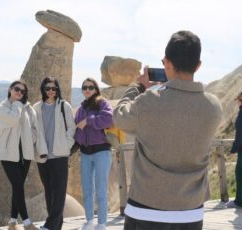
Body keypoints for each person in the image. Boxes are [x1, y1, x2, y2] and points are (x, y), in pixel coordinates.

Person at [113, 31, 223, 230]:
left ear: (167, 63)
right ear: (198, 65)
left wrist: (138, 86)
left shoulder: (149, 102)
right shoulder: (214, 107)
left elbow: (119, 116)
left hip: (146, 209)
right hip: (191, 211)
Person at [33, 76, 76, 230]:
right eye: (48, 88)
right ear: (43, 89)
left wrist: (66, 144)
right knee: (49, 192)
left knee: (59, 192)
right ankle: (55, 227)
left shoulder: (65, 106)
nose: (51, 91)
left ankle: (50, 225)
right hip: (43, 156)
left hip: (60, 155)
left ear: (57, 90)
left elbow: (72, 128)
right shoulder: (36, 108)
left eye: (54, 88)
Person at [0, 80, 40, 230]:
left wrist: (31, 139)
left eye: (22, 92)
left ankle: (12, 222)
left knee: (18, 187)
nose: (19, 93)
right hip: (8, 154)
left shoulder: (28, 108)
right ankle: (27, 222)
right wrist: (17, 103)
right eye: (17, 89)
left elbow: (35, 128)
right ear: (10, 89)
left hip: (26, 153)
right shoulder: (3, 107)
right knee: (18, 185)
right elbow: (13, 119)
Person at [74, 77, 113, 230]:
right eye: (84, 87)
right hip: (85, 153)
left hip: (101, 151)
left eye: (90, 87)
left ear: (96, 89)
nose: (87, 90)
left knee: (101, 188)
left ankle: (102, 223)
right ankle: (89, 220)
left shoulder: (102, 103)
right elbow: (77, 128)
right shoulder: (81, 108)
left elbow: (108, 119)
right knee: (87, 188)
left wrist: (89, 121)